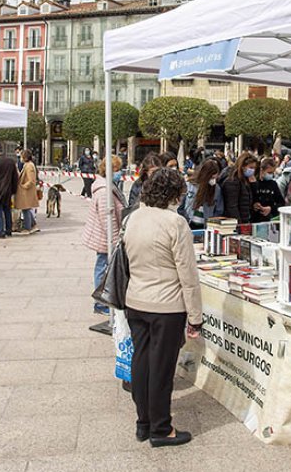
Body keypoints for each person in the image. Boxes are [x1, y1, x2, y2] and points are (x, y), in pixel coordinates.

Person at [124, 168, 201, 447]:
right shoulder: (175, 222)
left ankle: (143, 422)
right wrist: (196, 316)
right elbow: (188, 274)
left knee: (141, 362)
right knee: (161, 369)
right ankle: (161, 428)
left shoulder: (134, 217)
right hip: (166, 305)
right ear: (174, 194)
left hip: (136, 300)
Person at [82, 154, 125, 314]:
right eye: (117, 169)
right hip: (104, 237)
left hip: (105, 236)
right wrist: (114, 241)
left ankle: (102, 301)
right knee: (102, 268)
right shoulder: (104, 191)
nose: (120, 172)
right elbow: (108, 219)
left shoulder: (108, 186)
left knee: (102, 267)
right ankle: (100, 303)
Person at [184, 159, 224, 227]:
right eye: (211, 177)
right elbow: (181, 205)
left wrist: (212, 223)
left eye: (215, 178)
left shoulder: (217, 189)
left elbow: (219, 210)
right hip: (189, 223)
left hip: (206, 225)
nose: (213, 180)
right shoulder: (190, 185)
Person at [220, 152, 258, 224]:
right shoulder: (232, 181)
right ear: (242, 166)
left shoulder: (244, 180)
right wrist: (239, 225)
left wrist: (254, 184)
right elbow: (232, 207)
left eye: (254, 168)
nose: (253, 170)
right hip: (235, 223)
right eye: (251, 167)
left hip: (244, 219)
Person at [252, 156, 286, 221]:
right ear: (262, 170)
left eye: (273, 173)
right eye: (269, 172)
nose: (271, 175)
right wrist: (254, 205)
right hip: (254, 218)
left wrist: (270, 208)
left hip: (269, 218)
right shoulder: (255, 182)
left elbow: (281, 203)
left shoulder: (273, 184)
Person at [15, 149, 40, 234]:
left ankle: (27, 228)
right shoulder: (27, 165)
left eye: (21, 156)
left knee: (26, 209)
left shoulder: (29, 166)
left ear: (24, 157)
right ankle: (33, 225)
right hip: (26, 192)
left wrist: (23, 186)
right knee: (27, 209)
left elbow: (31, 180)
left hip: (26, 192)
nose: (20, 158)